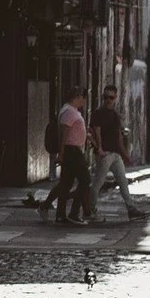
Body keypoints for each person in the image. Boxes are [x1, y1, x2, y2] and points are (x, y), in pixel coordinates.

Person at [92, 85, 142, 221]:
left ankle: (131, 209)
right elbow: (96, 132)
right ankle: (90, 210)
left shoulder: (114, 115)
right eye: (106, 97)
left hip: (115, 154)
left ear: (115, 98)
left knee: (123, 181)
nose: (108, 100)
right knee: (98, 183)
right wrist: (100, 149)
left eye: (111, 97)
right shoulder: (98, 113)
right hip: (105, 154)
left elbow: (118, 136)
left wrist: (125, 154)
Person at [49, 92, 93, 226]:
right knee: (85, 180)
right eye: (84, 99)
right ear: (78, 97)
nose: (84, 102)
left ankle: (60, 215)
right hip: (72, 150)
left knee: (66, 183)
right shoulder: (69, 111)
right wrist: (61, 153)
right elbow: (64, 133)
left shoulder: (71, 110)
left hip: (73, 149)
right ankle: (74, 213)